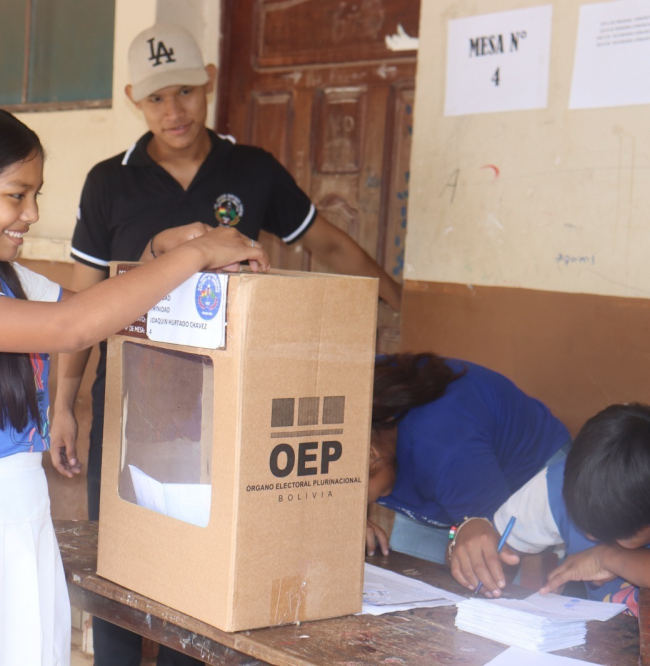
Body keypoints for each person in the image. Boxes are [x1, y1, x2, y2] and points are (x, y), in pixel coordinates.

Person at [0, 106, 269, 665]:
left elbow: (108, 314)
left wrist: (155, 255)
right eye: (16, 196)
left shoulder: (10, 282)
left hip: (21, 527)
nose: (32, 213)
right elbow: (73, 328)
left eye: (36, 195)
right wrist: (195, 256)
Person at [50, 23, 401, 666]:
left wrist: (394, 296)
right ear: (134, 97)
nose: (173, 110)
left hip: (224, 413)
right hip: (133, 409)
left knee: (205, 578)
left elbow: (325, 243)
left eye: (185, 91)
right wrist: (63, 402)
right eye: (157, 98)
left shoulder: (252, 170)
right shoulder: (109, 182)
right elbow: (82, 301)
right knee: (123, 564)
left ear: (208, 81)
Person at [365, 353, 571, 565]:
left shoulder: (445, 449)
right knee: (405, 582)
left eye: (360, 498)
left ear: (372, 455)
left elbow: (493, 549)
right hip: (436, 480)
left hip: (526, 475)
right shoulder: (352, 401)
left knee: (488, 579)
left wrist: (463, 546)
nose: (362, 504)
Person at [449, 403, 650, 615]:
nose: (591, 535)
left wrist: (608, 557)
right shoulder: (561, 485)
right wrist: (468, 536)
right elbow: (494, 548)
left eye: (617, 534)